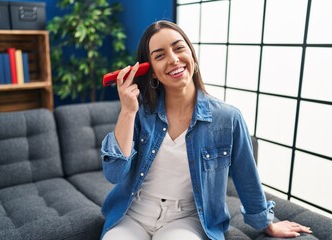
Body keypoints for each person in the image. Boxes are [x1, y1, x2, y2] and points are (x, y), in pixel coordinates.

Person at [100, 20, 312, 240]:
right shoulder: (139, 113)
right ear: (151, 71)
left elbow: (246, 175)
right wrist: (127, 112)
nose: (173, 59)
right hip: (134, 214)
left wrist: (266, 224)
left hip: (187, 219)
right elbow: (114, 174)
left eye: (179, 48)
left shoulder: (228, 118)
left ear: (192, 55)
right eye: (160, 55)